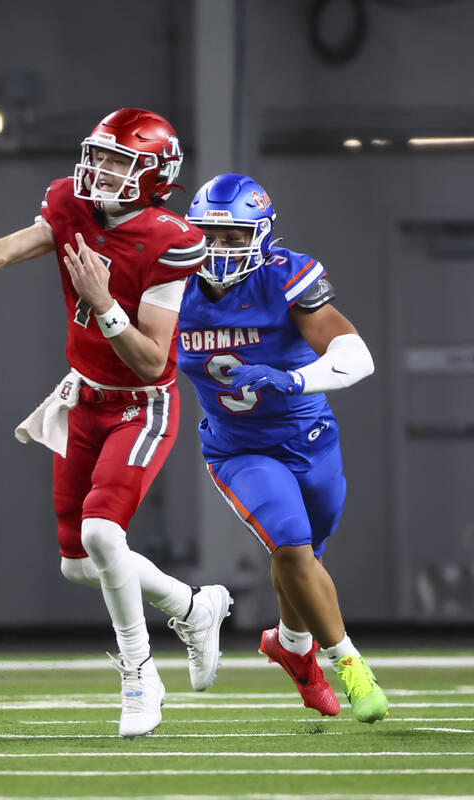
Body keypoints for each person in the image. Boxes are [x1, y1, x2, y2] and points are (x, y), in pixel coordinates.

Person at [0, 108, 233, 738]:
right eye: (98, 156)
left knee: (104, 534)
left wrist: (104, 305)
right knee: (78, 563)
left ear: (154, 174)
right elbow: (6, 251)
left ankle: (139, 675)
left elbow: (154, 357)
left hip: (141, 406)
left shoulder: (170, 238)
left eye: (118, 161)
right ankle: (192, 606)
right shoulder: (70, 204)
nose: (100, 170)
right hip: (83, 398)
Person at [177, 173, 388, 723]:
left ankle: (291, 646)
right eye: (209, 236)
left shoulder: (283, 277)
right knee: (292, 548)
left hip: (310, 438)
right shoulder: (168, 286)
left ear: (263, 235)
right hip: (239, 448)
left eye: (233, 237)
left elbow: (356, 357)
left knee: (307, 555)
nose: (218, 250)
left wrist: (293, 380)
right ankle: (348, 664)